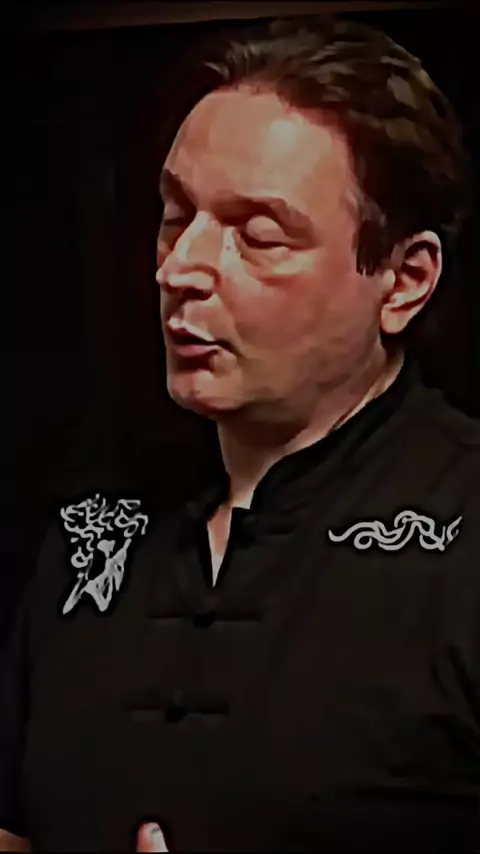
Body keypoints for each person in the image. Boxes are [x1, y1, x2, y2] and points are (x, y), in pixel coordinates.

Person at [1, 13, 479, 853]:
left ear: (404, 281)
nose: (179, 268)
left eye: (258, 237)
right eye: (174, 216)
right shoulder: (90, 530)